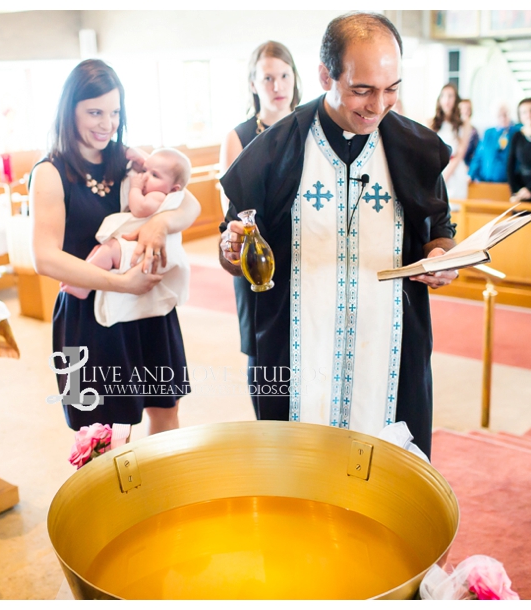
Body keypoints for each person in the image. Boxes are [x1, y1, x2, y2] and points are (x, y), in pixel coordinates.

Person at [218, 12, 458, 459]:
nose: (378, 105)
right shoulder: (273, 151)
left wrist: (443, 258)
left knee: (389, 484)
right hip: (296, 351)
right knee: (295, 481)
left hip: (389, 352)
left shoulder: (415, 149)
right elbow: (232, 247)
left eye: (391, 89)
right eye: (362, 90)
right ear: (326, 74)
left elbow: (440, 230)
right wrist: (232, 248)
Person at [30, 59, 199, 435]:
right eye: (94, 112)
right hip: (87, 317)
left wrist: (159, 223)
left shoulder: (127, 159)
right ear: (69, 110)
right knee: (99, 432)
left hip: (147, 309)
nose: (107, 124)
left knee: (165, 412)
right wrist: (122, 284)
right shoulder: (50, 172)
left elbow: (188, 201)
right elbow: (44, 257)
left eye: (114, 112)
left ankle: (158, 495)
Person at [219, 40, 301, 420]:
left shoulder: (309, 129)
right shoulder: (237, 136)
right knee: (262, 350)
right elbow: (231, 214)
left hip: (300, 255)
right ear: (253, 83)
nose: (277, 85)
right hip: (255, 257)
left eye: (284, 75)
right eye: (267, 77)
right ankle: (267, 424)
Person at [67, 148, 193, 328]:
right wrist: (142, 163)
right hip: (133, 243)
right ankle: (83, 276)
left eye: (154, 175)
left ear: (173, 188)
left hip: (138, 249)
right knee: (101, 251)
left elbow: (139, 208)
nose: (145, 177)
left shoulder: (159, 196)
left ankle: (83, 285)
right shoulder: (156, 188)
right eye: (144, 171)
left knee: (108, 251)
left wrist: (135, 188)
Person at [430, 83, 470, 200]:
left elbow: (460, 153)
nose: (447, 100)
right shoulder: (433, 122)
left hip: (455, 169)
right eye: (443, 96)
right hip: (437, 168)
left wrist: (445, 176)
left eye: (450, 96)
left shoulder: (464, 122)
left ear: (456, 99)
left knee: (455, 207)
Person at [468, 102, 521, 183]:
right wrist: (470, 175)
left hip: (510, 182)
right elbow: (478, 156)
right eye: (499, 115)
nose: (503, 118)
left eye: (505, 114)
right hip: (487, 181)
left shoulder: (517, 132)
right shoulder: (488, 133)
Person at [458, 98, 480, 167]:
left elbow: (476, 153)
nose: (466, 111)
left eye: (468, 109)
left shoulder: (474, 132)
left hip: (467, 167)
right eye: (463, 108)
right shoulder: (454, 129)